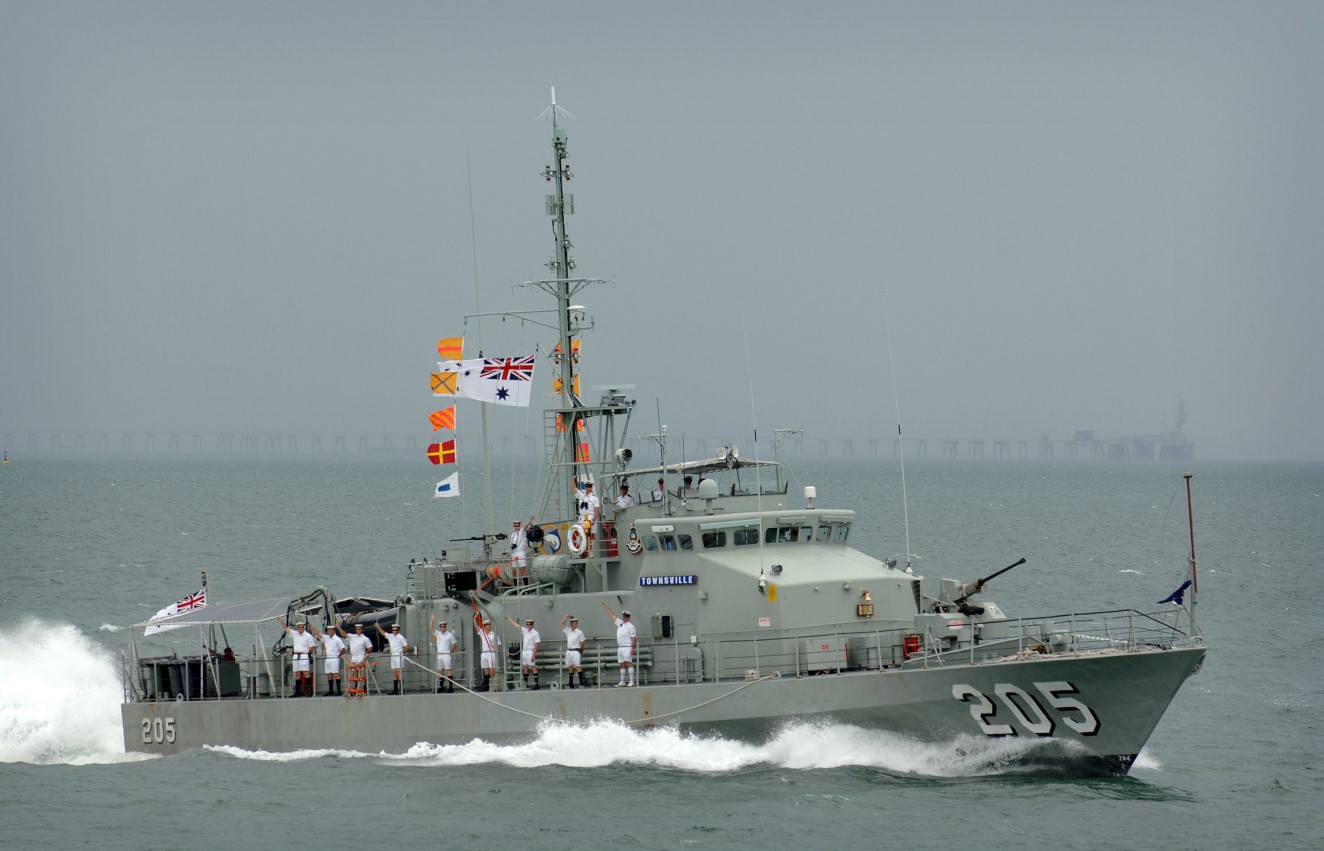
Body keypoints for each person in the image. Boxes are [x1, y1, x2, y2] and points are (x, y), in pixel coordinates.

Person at [278, 616, 318, 697]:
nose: (301, 628)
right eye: (299, 627)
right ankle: (298, 691)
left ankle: (309, 690)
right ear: (297, 628)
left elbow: (312, 648)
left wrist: (307, 654)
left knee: (306, 672)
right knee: (297, 673)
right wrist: (281, 621)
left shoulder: (308, 636)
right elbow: (285, 629)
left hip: (304, 655)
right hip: (296, 655)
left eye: (302, 627)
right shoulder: (294, 634)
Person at [601, 602, 637, 687]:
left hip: (627, 647)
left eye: (626, 617)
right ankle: (622, 681)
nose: (624, 618)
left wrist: (633, 648)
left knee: (629, 663)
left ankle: (631, 681)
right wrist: (606, 607)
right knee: (621, 664)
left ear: (628, 617)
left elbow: (633, 638)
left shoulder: (631, 626)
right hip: (620, 647)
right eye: (623, 616)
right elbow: (612, 615)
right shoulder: (620, 623)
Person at [505, 615, 541, 689]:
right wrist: (509, 618)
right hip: (524, 651)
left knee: (533, 667)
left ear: (532, 624)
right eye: (527, 624)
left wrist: (534, 654)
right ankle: (525, 683)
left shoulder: (535, 633)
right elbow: (516, 625)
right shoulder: (525, 631)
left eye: (530, 624)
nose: (528, 626)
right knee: (525, 668)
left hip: (531, 651)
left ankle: (536, 683)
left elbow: (536, 645)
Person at [311, 622, 347, 696]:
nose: (329, 632)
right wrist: (313, 627)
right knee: (329, 674)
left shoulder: (337, 639)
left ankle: (339, 691)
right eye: (328, 630)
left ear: (334, 631)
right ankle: (331, 691)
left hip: (334, 658)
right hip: (328, 658)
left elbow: (343, 649)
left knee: (336, 674)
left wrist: (338, 655)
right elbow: (318, 634)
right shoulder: (326, 638)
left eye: (331, 630)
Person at [375, 622, 410, 695]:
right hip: (393, 655)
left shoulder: (401, 637)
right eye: (393, 630)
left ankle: (401, 690)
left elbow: (406, 647)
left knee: (399, 672)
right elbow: (383, 633)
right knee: (394, 672)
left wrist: (402, 652)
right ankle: (395, 689)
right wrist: (378, 627)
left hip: (399, 655)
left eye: (396, 630)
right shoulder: (391, 636)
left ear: (398, 630)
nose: (394, 631)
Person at [429, 613, 457, 694]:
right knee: (440, 671)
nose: (443, 628)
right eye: (441, 626)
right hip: (440, 655)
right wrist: (432, 620)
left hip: (446, 655)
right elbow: (431, 629)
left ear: (446, 627)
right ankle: (441, 687)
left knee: (448, 670)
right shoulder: (437, 634)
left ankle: (451, 687)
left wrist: (450, 652)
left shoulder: (450, 635)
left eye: (444, 626)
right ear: (440, 627)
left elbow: (454, 644)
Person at [344, 623, 374, 698]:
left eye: (359, 629)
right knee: (352, 675)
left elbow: (370, 648)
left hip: (361, 657)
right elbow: (344, 635)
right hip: (353, 657)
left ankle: (360, 690)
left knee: (361, 675)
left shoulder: (365, 639)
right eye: (357, 629)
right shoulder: (352, 637)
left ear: (362, 630)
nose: (358, 630)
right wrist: (338, 627)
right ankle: (351, 691)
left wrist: (366, 655)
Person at [561, 613, 586, 689]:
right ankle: (570, 683)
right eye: (574, 623)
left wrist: (581, 652)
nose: (575, 624)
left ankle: (581, 682)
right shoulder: (568, 631)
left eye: (576, 623)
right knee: (570, 667)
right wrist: (566, 616)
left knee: (578, 666)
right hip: (569, 651)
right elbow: (562, 623)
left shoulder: (579, 632)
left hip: (576, 651)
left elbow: (582, 644)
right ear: (571, 624)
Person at [474, 614, 499, 692]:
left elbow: (498, 646)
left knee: (492, 670)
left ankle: (495, 685)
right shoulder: (482, 633)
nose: (488, 625)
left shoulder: (494, 635)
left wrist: (495, 649)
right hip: (484, 653)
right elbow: (476, 626)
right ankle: (486, 686)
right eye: (486, 625)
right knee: (486, 670)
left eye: (489, 624)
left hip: (491, 653)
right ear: (484, 626)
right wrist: (475, 617)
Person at [510, 517, 533, 584]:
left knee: (522, 569)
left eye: (517, 525)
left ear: (519, 526)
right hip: (514, 553)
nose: (516, 527)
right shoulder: (513, 534)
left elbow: (525, 526)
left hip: (520, 552)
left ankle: (526, 587)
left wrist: (530, 520)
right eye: (515, 526)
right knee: (514, 571)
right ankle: (515, 587)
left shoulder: (522, 532)